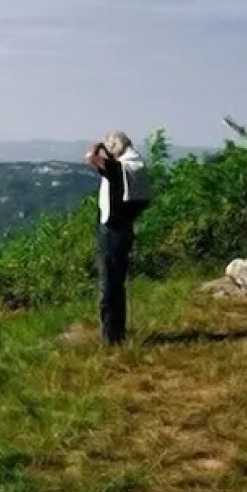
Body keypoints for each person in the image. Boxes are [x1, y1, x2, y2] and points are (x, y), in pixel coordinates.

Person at [85, 131, 148, 344]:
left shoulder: (118, 168)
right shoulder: (134, 165)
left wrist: (97, 147)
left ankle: (112, 336)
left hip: (111, 230)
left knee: (109, 284)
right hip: (125, 227)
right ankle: (117, 332)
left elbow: (92, 160)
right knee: (117, 282)